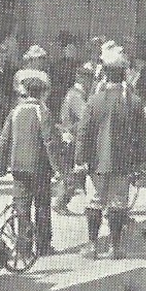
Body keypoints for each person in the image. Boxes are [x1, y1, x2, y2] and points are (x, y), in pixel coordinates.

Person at [77, 56, 145, 258]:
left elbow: (83, 132)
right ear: (124, 74)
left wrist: (80, 159)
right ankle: (115, 246)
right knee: (118, 203)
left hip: (97, 162)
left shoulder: (94, 100)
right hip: (123, 162)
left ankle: (92, 245)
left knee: (95, 201)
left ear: (104, 75)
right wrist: (139, 162)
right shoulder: (134, 101)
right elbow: (141, 136)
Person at [0, 69, 62, 257]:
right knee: (42, 206)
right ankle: (43, 246)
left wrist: (0, 165)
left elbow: (3, 139)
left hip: (18, 168)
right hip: (39, 168)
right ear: (41, 93)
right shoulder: (42, 111)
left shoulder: (15, 111)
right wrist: (57, 168)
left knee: (21, 207)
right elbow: (49, 142)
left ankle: (23, 248)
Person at [54, 62, 94, 213]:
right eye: (88, 77)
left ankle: (62, 202)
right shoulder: (76, 96)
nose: (90, 81)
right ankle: (60, 203)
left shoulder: (75, 94)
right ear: (81, 78)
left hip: (71, 137)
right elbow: (85, 118)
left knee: (73, 173)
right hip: (72, 139)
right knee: (73, 174)